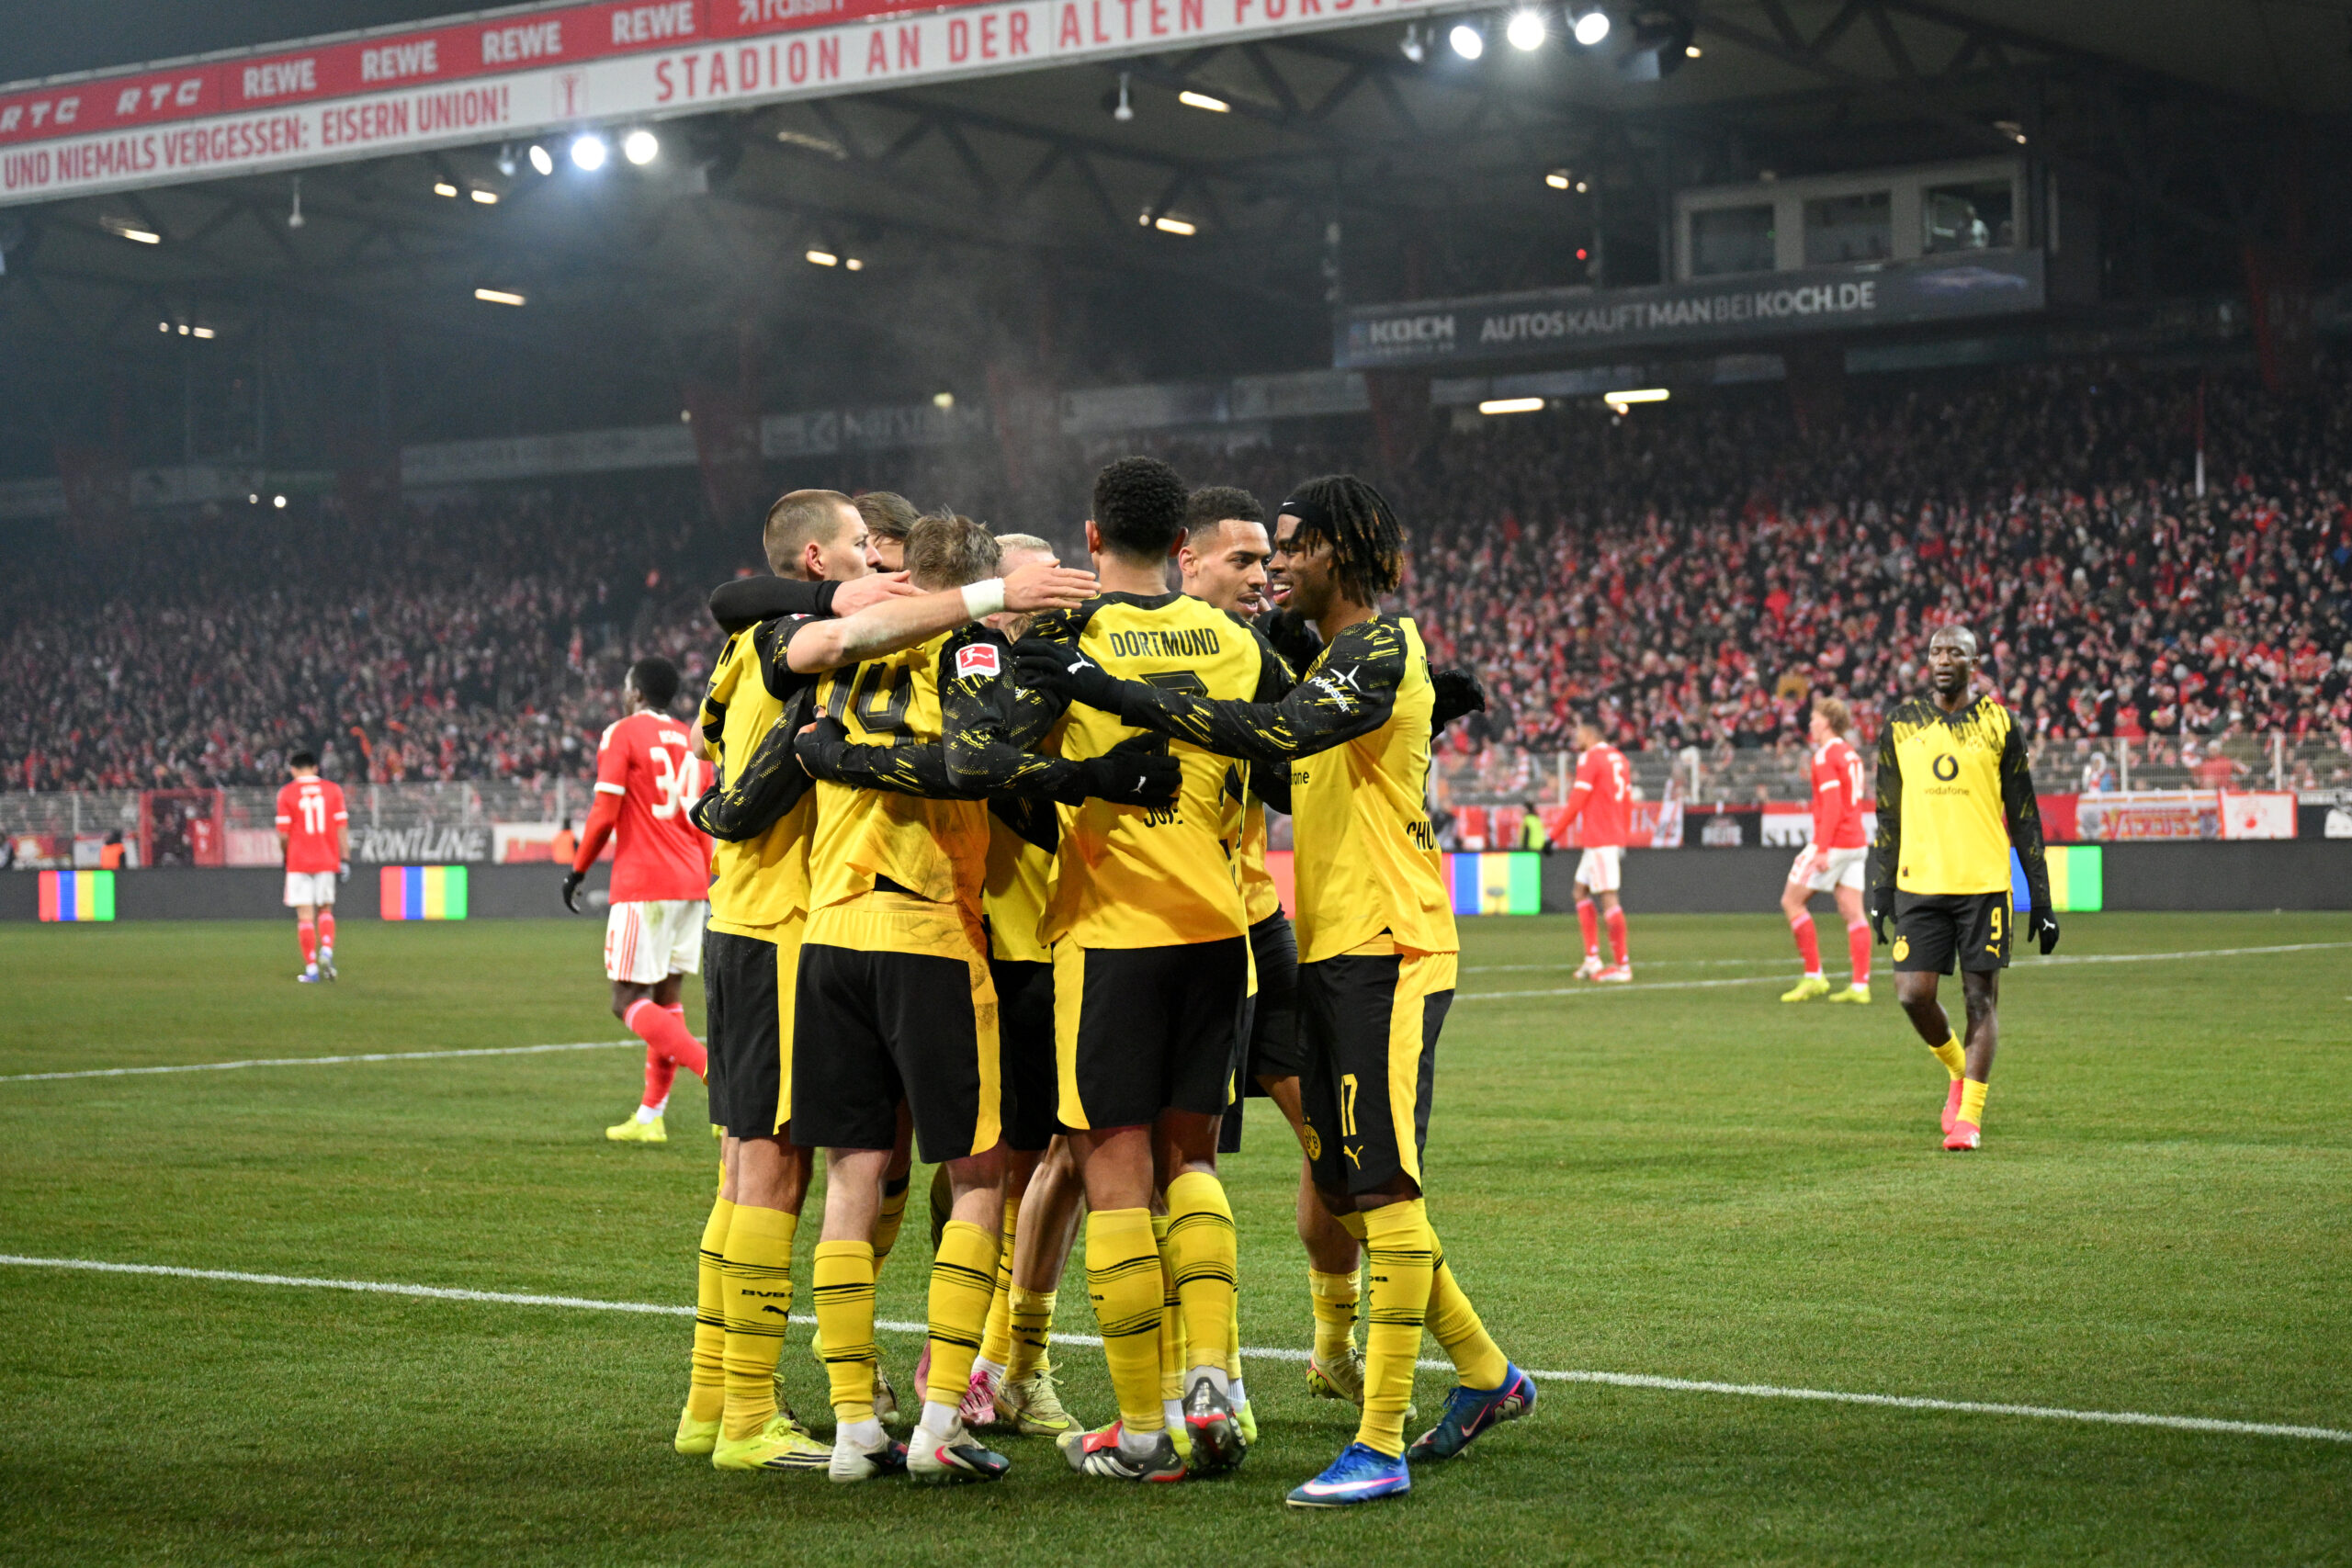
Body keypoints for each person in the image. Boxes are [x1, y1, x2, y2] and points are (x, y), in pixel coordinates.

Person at [1016, 471, 1532, 1510]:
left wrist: (1104, 689)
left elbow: (1278, 735)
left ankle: (1378, 1443)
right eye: (1260, 552)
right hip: (1331, 950)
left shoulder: (1376, 648)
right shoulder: (1328, 655)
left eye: (1290, 547)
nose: (1278, 567)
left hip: (1390, 946)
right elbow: (1287, 763)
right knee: (1343, 1181)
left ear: (1338, 550)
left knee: (1382, 1189)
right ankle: (1485, 1372)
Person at [673, 488, 1095, 1474]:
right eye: (864, 548)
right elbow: (979, 764)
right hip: (847, 927)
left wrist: (795, 772)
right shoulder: (912, 647)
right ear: (819, 562)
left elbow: (714, 733)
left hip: (801, 924)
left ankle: (752, 1403)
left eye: (889, 554)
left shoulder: (791, 646)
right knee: (942, 1172)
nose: (879, 563)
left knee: (811, 1170)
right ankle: (825, 1414)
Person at [785, 512, 1169, 1484]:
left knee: (851, 1177)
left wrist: (838, 757)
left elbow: (801, 652)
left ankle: (851, 1427)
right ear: (983, 583)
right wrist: (1088, 774)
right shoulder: (970, 655)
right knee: (981, 1176)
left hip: (829, 932)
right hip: (926, 932)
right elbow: (973, 763)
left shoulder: (844, 654)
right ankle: (939, 1421)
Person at [1003, 457, 1282, 1484]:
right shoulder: (1236, 642)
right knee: (1192, 1164)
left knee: (1113, 1176)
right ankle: (1211, 1382)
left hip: (1110, 930)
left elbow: (1008, 769)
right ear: (1180, 546)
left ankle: (1140, 1428)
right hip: (1217, 928)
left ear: (1090, 539)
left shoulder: (1066, 637)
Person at [1178, 484, 1370, 1431]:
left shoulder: (1266, 654)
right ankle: (1016, 1354)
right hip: (1163, 931)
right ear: (1188, 559)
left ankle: (1332, 1345)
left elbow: (1287, 785)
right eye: (1245, 560)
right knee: (1104, 1161)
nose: (1265, 575)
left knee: (1332, 1137)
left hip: (1258, 923)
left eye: (1270, 560)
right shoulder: (1133, 642)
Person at [1867, 625, 2058, 1153]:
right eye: (1936, 651)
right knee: (1913, 995)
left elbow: (2024, 815)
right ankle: (1956, 1068)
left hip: (1983, 885)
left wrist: (2040, 899)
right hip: (1920, 884)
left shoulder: (2001, 725)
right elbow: (1888, 812)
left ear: (1975, 664)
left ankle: (1969, 1119)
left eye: (1956, 652)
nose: (1944, 659)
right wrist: (1881, 887)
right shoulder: (1901, 725)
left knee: (1980, 999)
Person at [561, 656, 714, 1144]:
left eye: (627, 687)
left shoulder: (623, 733)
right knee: (667, 1000)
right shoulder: (692, 739)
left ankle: (715, 1074)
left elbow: (605, 812)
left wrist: (578, 869)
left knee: (626, 999)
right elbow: (705, 821)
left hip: (645, 883)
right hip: (691, 882)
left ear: (637, 693)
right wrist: (709, 877)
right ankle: (650, 1118)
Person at [1779, 696, 1873, 1005]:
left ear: (1827, 721)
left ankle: (1814, 976)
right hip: (1857, 842)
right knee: (1853, 912)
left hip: (1835, 842)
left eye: (1815, 718)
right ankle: (1860, 986)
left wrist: (1821, 848)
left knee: (1792, 901)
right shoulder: (1851, 754)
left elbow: (1832, 805)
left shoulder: (1824, 756)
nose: (1811, 723)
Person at [1562, 716, 1634, 982]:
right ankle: (1592, 959)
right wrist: (1623, 833)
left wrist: (1553, 835)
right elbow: (1627, 801)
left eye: (1578, 732)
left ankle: (1622, 966)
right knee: (1580, 891)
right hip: (1607, 836)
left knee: (1608, 898)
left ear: (1590, 734)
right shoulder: (1619, 758)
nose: (1575, 738)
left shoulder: (1591, 758)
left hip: (1601, 838)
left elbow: (1577, 801)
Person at [274, 750, 348, 983]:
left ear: (293, 769)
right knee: (325, 910)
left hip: (298, 861)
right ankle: (326, 949)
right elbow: (342, 827)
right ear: (316, 768)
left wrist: (286, 856)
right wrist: (345, 858)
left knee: (305, 917)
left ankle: (312, 969)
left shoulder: (287, 793)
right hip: (327, 858)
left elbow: (283, 834)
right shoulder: (333, 790)